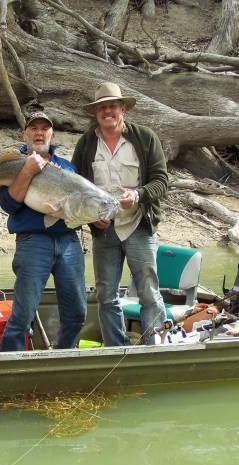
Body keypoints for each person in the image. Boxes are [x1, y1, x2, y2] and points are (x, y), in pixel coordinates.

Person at [71, 82, 169, 346]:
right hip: (104, 231)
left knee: (148, 292)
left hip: (139, 226)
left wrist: (137, 195)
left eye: (112, 106)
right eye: (102, 108)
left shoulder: (146, 138)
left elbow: (161, 181)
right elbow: (76, 186)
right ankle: (117, 349)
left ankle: (154, 348)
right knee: (106, 295)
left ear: (123, 109)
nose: (107, 112)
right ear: (96, 113)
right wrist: (92, 217)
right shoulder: (86, 143)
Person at [0, 111, 87, 351]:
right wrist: (27, 171)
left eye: (44, 128)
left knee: (77, 311)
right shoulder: (14, 164)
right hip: (33, 242)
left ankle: (63, 359)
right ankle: (8, 369)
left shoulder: (67, 167)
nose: (39, 133)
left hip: (69, 241)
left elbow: (79, 208)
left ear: (52, 134)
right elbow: (8, 205)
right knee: (23, 314)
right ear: (24, 134)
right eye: (33, 128)